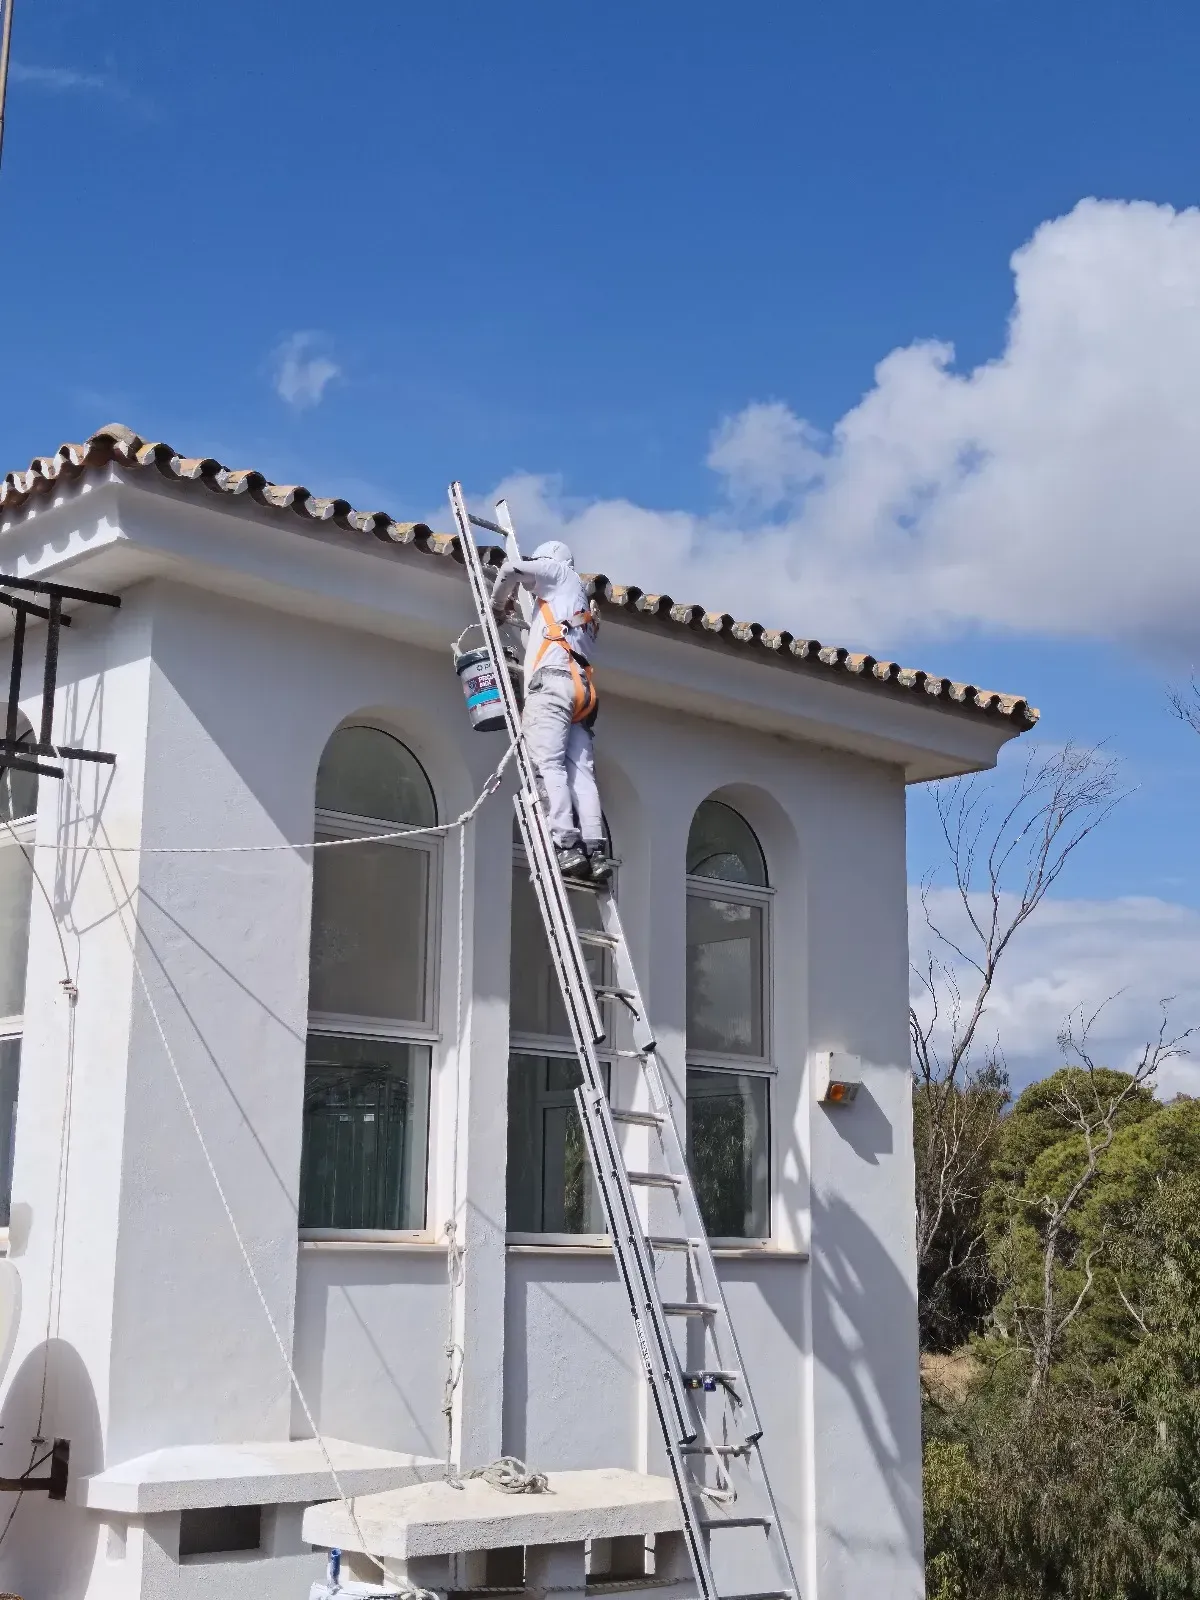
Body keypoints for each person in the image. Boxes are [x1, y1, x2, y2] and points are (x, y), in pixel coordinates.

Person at [491, 539, 611, 883]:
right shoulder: (580, 607)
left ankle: (565, 844)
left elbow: (512, 569)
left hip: (555, 685)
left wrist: (499, 606)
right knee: (582, 774)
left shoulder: (560, 575)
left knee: (548, 765)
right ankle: (595, 850)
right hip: (583, 690)